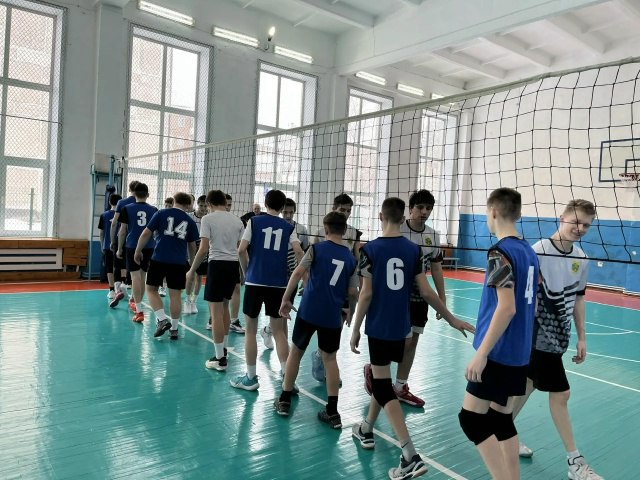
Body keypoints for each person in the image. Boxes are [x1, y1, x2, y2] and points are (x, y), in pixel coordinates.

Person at [350, 197, 475, 480]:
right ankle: (366, 429)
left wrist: (355, 327)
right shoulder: (414, 249)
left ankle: (409, 455)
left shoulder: (369, 249)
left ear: (380, 216)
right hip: (402, 325)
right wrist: (451, 317)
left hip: (379, 326)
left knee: (383, 387)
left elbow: (366, 294)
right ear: (402, 216)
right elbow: (426, 291)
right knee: (382, 379)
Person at [511, 200, 602, 480]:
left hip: (560, 336)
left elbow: (579, 298)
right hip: (537, 336)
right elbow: (521, 295)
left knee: (527, 385)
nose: (580, 228)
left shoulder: (581, 258)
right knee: (561, 394)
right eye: (576, 221)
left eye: (586, 225)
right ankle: (575, 462)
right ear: (561, 217)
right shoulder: (537, 251)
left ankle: (501, 433)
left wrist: (582, 337)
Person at [457, 188, 539, 480]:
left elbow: (507, 308)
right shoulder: (530, 252)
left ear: (492, 211)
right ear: (518, 214)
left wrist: (481, 354)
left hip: (499, 352)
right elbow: (531, 304)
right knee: (500, 420)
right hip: (519, 352)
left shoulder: (499, 252)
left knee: (470, 419)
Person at [363, 189, 446, 408]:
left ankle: (400, 387)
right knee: (397, 339)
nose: (424, 212)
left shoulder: (433, 235)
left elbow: (437, 268)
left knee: (413, 341)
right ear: (410, 209)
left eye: (428, 208)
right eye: (420, 207)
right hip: (397, 296)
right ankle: (376, 368)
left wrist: (442, 298)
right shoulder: (398, 230)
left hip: (419, 296)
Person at [274, 212, 358, 428]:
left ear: (325, 229)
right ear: (345, 230)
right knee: (330, 359)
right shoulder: (351, 258)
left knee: (296, 352)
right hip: (332, 315)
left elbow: (297, 273)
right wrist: (351, 310)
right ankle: (333, 412)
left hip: (309, 311)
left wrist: (285, 299)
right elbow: (353, 291)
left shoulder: (316, 249)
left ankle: (284, 400)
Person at [231, 190, 304, 391]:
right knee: (279, 332)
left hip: (255, 282)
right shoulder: (288, 227)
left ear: (265, 203)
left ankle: (250, 378)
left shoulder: (254, 222)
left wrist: (246, 272)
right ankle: (288, 378)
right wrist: (304, 276)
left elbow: (241, 249)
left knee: (250, 331)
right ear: (283, 207)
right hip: (279, 284)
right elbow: (299, 251)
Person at [187, 190, 245, 370]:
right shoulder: (238, 221)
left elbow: (203, 248)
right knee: (225, 309)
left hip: (217, 265)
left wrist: (192, 270)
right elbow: (241, 249)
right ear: (224, 203)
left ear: (210, 204)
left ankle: (219, 358)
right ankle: (223, 349)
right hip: (232, 266)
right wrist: (244, 272)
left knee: (216, 313)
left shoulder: (207, 219)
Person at [310, 193, 362, 381]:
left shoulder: (354, 233)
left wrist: (358, 285)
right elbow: (312, 259)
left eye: (349, 210)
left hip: (344, 286)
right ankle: (321, 356)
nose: (346, 213)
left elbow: (357, 259)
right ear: (334, 209)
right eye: (342, 210)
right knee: (318, 326)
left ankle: (325, 361)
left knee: (336, 327)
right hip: (323, 287)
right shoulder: (320, 232)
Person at [134, 192, 199, 339]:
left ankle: (162, 319)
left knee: (151, 289)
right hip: (179, 262)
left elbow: (146, 233)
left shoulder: (161, 213)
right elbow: (192, 245)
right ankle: (174, 329)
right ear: (188, 205)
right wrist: (191, 263)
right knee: (175, 295)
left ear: (174, 200)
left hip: (159, 258)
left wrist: (138, 251)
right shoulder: (190, 221)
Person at [116, 183, 158, 323]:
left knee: (135, 277)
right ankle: (137, 305)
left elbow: (122, 231)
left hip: (132, 245)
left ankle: (139, 310)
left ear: (134, 194)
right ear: (148, 195)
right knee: (143, 276)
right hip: (149, 246)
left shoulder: (126, 208)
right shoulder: (154, 210)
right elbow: (156, 232)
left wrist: (119, 248)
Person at [110, 180, 140, 309]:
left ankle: (117, 290)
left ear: (129, 189)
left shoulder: (122, 202)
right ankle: (131, 292)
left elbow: (114, 223)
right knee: (133, 268)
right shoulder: (142, 204)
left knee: (117, 264)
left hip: (122, 237)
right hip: (137, 240)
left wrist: (112, 240)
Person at [183, 195, 208, 314]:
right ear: (197, 205)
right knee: (190, 276)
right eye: (201, 205)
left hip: (203, 251)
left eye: (205, 206)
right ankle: (187, 300)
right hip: (190, 250)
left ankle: (194, 302)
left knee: (199, 277)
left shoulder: (208, 218)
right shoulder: (189, 217)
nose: (203, 208)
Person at [225, 193, 245, 334]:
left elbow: (240, 246)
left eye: (230, 205)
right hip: (216, 261)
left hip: (232, 261)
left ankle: (234, 320)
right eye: (226, 204)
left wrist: (243, 270)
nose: (228, 207)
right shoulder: (211, 220)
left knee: (236, 288)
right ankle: (212, 319)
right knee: (218, 293)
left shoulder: (237, 222)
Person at [99, 194, 122, 301]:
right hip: (119, 245)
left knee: (109, 267)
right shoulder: (122, 214)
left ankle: (112, 290)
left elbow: (101, 233)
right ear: (120, 203)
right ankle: (121, 288)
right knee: (120, 267)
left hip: (107, 245)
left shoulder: (103, 215)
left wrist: (102, 245)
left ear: (109, 202)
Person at [158, 197, 175, 298]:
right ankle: (162, 287)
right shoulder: (161, 215)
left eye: (170, 205)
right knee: (162, 268)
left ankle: (167, 286)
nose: (167, 207)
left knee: (171, 269)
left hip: (173, 247)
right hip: (162, 245)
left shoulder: (176, 216)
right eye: (166, 205)